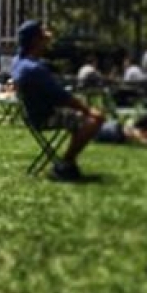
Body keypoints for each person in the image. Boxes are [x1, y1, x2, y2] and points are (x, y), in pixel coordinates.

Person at [12, 20, 104, 182]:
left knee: (81, 117)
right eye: (44, 39)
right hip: (45, 116)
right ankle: (65, 163)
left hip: (32, 115)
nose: (46, 43)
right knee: (94, 120)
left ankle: (67, 162)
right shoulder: (35, 69)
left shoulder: (18, 63)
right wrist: (88, 110)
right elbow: (63, 97)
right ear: (35, 41)